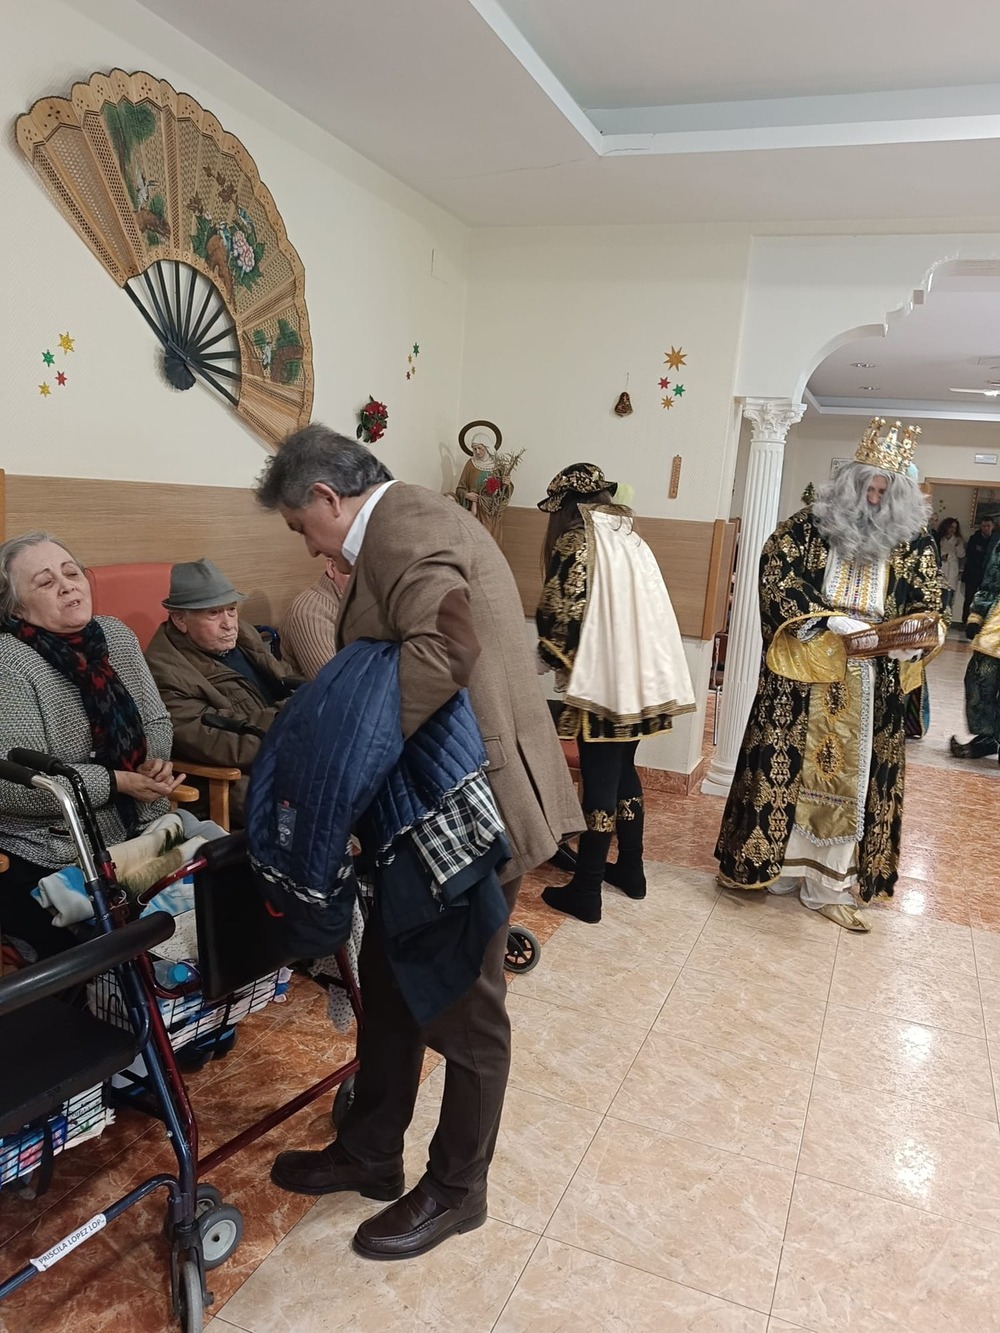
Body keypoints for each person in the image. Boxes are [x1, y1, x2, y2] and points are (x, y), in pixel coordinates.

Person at [253, 425, 581, 1260]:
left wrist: (358, 754)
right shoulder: (410, 522)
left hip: (471, 809)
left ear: (327, 498)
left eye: (300, 524)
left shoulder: (404, 526)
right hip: (439, 807)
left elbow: (446, 647)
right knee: (397, 980)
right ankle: (372, 1149)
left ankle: (458, 1187)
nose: (306, 542)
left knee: (464, 1007)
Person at [715, 419, 942, 932]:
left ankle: (830, 885)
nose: (875, 500)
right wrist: (825, 618)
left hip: (871, 685)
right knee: (785, 771)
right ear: (852, 484)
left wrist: (910, 641)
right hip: (803, 675)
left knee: (856, 785)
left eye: (886, 493)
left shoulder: (915, 543)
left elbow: (930, 605)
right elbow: (775, 572)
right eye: (869, 488)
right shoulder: (807, 526)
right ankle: (777, 868)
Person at [0, 532, 185, 957]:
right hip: (49, 851)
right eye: (45, 583)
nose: (68, 585)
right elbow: (13, 783)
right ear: (15, 607)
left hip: (137, 830)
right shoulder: (9, 661)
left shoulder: (113, 635)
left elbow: (154, 717)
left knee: (202, 912)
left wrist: (152, 762)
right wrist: (116, 782)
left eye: (72, 572)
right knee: (121, 960)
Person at [534, 464, 695, 923]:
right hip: (641, 678)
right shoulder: (629, 536)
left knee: (600, 784)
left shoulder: (578, 539)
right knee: (624, 771)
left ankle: (586, 891)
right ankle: (631, 869)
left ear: (566, 506)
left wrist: (543, 657)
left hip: (603, 681)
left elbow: (560, 610)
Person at [145, 559, 298, 827]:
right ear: (180, 619)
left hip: (283, 746)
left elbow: (284, 678)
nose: (228, 624)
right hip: (234, 778)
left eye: (231, 610)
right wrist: (297, 723)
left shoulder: (245, 636)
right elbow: (226, 745)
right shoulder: (165, 674)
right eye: (213, 614)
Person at [951, 542, 1000, 760]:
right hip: (995, 627)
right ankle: (988, 737)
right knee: (978, 681)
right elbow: (991, 581)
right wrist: (977, 615)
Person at [279, 557, 349, 679]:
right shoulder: (309, 612)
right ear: (331, 567)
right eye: (353, 568)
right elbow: (332, 683)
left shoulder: (366, 601)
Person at [962, 515, 998, 624]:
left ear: (992, 526)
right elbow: (971, 555)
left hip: (988, 575)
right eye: (983, 526)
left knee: (986, 600)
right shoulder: (975, 538)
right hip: (973, 574)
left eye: (988, 526)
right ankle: (966, 621)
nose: (986, 528)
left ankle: (982, 623)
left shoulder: (996, 540)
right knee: (969, 598)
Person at [936, 516, 965, 615]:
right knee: (938, 596)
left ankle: (946, 616)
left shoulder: (958, 540)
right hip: (941, 569)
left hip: (952, 570)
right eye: (951, 527)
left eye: (955, 528)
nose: (952, 530)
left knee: (949, 596)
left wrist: (958, 546)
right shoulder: (940, 538)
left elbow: (962, 555)